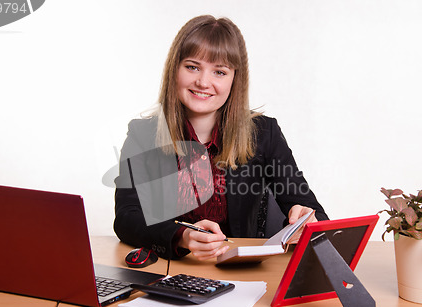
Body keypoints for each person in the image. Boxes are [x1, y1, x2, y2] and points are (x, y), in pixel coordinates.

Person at [114, 15, 328, 261]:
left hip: (244, 274)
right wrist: (182, 236)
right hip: (175, 270)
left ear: (234, 79)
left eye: (219, 71)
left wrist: (306, 218)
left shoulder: (264, 133)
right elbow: (126, 217)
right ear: (175, 69)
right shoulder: (143, 135)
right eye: (192, 67)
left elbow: (317, 216)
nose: (203, 82)